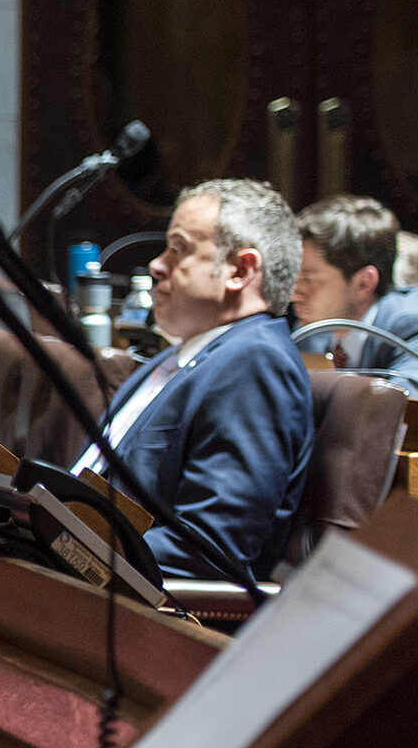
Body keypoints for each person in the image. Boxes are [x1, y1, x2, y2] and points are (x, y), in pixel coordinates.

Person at [78, 178, 313, 579]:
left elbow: (211, 546)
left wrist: (67, 546)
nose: (156, 264)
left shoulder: (255, 363)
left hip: (139, 611)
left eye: (180, 248)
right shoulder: (181, 355)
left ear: (240, 270)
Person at [293, 195, 418, 398]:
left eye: (308, 279)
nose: (294, 294)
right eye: (295, 277)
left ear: (364, 283)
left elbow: (400, 413)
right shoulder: (313, 331)